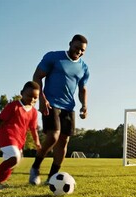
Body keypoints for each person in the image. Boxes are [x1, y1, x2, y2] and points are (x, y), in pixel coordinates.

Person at [29, 34, 90, 185]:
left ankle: (52, 177)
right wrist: (42, 99)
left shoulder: (84, 68)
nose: (79, 51)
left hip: (69, 107)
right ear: (70, 44)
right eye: (76, 47)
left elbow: (82, 89)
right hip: (51, 103)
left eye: (82, 50)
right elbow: (37, 77)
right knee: (53, 136)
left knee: (63, 142)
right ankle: (35, 167)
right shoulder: (53, 57)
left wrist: (84, 105)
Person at [0, 81, 41, 191]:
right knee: (15, 158)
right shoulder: (13, 106)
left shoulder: (34, 112)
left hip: (19, 141)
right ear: (22, 93)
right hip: (7, 136)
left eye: (35, 97)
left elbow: (33, 129)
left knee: (11, 166)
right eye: (29, 96)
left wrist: (37, 142)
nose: (32, 99)